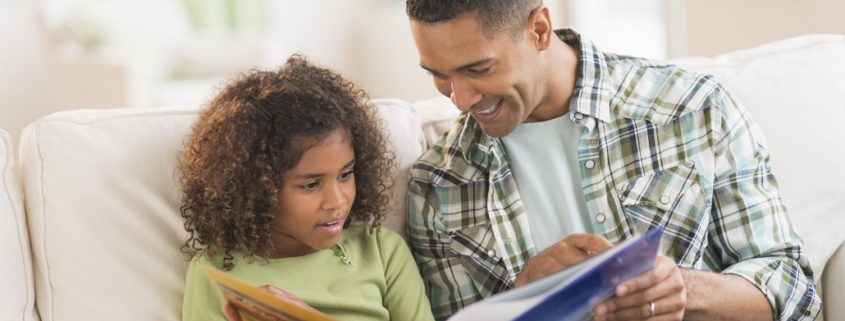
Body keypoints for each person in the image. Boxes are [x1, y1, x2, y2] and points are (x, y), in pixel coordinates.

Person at [403, 1, 822, 320]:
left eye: (478, 68)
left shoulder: (691, 108)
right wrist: (524, 295)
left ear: (539, 29)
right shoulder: (438, 184)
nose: (459, 98)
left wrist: (682, 290)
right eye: (437, 74)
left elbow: (793, 287)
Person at [179, 55, 435, 321]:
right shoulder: (217, 271)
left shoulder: (381, 251)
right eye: (311, 185)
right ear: (257, 190)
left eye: (346, 174)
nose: (337, 202)